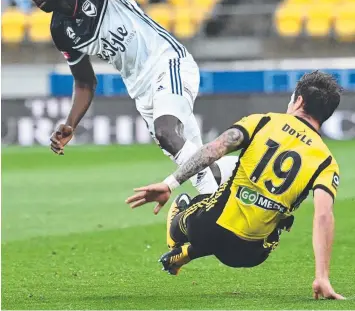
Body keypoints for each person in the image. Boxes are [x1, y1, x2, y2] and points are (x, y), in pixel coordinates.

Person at [20, 0, 237, 196]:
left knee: (166, 132)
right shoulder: (60, 30)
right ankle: (254, 169)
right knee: (200, 165)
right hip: (142, 93)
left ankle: (212, 208)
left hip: (168, 63)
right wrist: (70, 123)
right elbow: (85, 83)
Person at [126, 71, 345, 301]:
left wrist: (169, 184)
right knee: (278, 221)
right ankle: (189, 252)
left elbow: (213, 150)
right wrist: (322, 276)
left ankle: (180, 231)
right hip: (252, 254)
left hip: (209, 229)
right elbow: (323, 215)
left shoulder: (263, 121)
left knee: (199, 204)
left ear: (299, 100)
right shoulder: (326, 161)